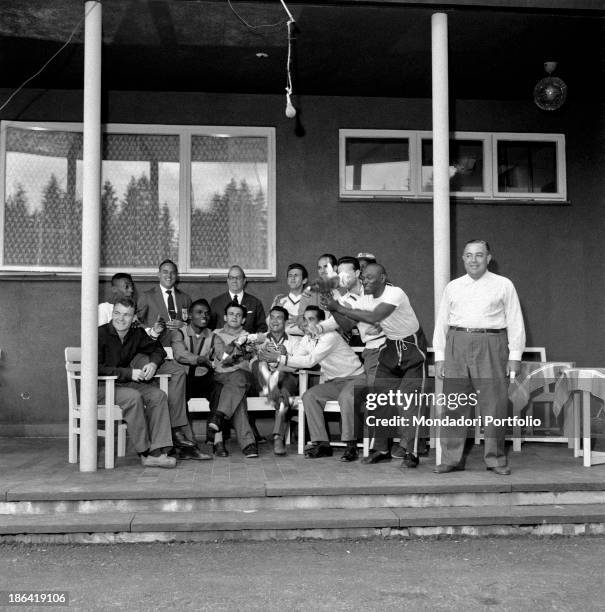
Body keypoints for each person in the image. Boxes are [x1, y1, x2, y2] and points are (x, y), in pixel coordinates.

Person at [432, 239, 525, 476]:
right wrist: (440, 355)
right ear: (463, 258)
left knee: (494, 404)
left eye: (479, 255)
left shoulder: (504, 285)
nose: (474, 260)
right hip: (457, 343)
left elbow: (515, 320)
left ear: (488, 258)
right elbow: (442, 321)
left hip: (492, 344)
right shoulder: (453, 286)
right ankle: (450, 459)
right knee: (454, 404)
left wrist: (515, 355)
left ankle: (495, 459)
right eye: (469, 255)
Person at [322, 263, 428, 468]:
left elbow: (374, 316)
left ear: (383, 278)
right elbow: (347, 323)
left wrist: (338, 306)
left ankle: (411, 452)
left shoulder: (395, 293)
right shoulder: (366, 298)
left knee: (409, 401)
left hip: (413, 347)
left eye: (370, 277)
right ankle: (381, 449)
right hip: (389, 347)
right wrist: (333, 308)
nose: (364, 281)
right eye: (363, 278)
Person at [265, 306, 364, 461]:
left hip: (356, 378)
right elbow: (294, 363)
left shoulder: (330, 336)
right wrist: (273, 363)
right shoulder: (307, 339)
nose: (306, 322)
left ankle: (351, 446)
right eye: (304, 319)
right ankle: (322, 444)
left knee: (346, 398)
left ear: (322, 323)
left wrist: (279, 358)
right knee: (309, 396)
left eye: (311, 319)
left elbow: (310, 361)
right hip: (335, 382)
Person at [136, 259, 203, 459]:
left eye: (173, 272)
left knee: (182, 382)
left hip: (179, 351)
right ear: (158, 274)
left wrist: (182, 324)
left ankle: (179, 435)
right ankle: (177, 433)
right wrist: (153, 330)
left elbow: (193, 325)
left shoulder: (184, 298)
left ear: (177, 276)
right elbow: (136, 324)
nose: (169, 275)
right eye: (165, 272)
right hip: (154, 352)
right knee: (173, 381)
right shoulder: (147, 297)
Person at [98, 298, 176, 468]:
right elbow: (95, 368)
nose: (121, 318)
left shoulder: (135, 333)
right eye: (117, 313)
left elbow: (158, 350)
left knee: (158, 395)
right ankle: (145, 454)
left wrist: (153, 364)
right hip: (99, 387)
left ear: (134, 318)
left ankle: (160, 450)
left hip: (122, 384)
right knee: (133, 397)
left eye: (127, 315)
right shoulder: (99, 334)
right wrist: (128, 372)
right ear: (112, 314)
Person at [210, 301, 260, 458]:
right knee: (237, 395)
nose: (235, 317)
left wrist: (242, 353)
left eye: (239, 315)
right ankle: (248, 444)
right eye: (231, 314)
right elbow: (223, 359)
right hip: (222, 376)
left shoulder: (250, 337)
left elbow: (252, 361)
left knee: (238, 377)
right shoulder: (217, 335)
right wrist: (238, 348)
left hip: (244, 378)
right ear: (225, 317)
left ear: (243, 320)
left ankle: (219, 416)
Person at [255, 306, 301, 455]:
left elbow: (299, 366)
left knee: (283, 393)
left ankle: (277, 437)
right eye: (272, 317)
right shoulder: (259, 340)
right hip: (264, 379)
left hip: (287, 379)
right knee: (259, 364)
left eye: (279, 317)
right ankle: (278, 438)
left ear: (286, 321)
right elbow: (251, 363)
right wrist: (261, 356)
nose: (275, 321)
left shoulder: (295, 341)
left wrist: (285, 357)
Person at [210, 265, 267, 334]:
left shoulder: (255, 303)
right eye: (231, 278)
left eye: (238, 278)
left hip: (248, 343)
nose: (234, 281)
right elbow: (210, 328)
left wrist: (251, 341)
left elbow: (262, 328)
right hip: (222, 343)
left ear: (244, 281)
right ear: (227, 280)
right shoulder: (216, 302)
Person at [269, 263, 308, 337]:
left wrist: (301, 321)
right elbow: (269, 328)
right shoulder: (279, 301)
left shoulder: (311, 302)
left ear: (304, 280)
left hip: (304, 342)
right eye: (290, 276)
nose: (292, 278)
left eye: (296, 275)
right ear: (287, 280)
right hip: (282, 342)